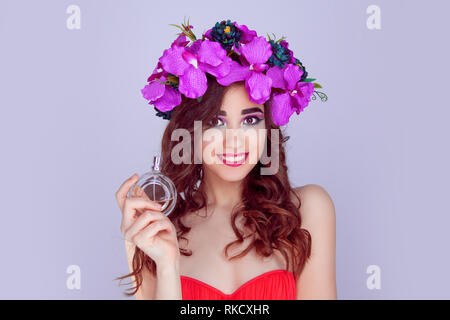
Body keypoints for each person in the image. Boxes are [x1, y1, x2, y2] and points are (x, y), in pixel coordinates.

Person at [115, 20, 336, 300]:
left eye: (250, 120)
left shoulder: (307, 210)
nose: (234, 140)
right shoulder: (154, 227)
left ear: (268, 128)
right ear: (190, 131)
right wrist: (167, 266)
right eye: (215, 122)